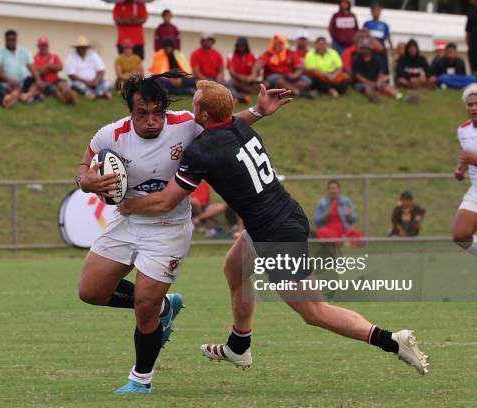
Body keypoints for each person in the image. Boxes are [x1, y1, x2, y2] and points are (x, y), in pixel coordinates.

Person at [119, 80, 429, 378]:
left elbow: (166, 201)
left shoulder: (202, 150)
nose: (189, 111)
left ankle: (392, 341)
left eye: (195, 106)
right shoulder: (238, 126)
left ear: (203, 115)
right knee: (235, 267)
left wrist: (128, 203)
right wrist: (258, 110)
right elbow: (234, 122)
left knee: (314, 311)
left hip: (275, 233)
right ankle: (239, 346)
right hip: (282, 215)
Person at [75, 73, 289, 394]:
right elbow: (84, 167)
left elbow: (226, 126)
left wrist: (258, 111)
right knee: (90, 291)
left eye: (158, 112)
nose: (151, 121)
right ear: (129, 111)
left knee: (145, 305)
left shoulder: (185, 124)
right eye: (142, 113)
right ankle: (165, 308)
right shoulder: (110, 135)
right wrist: (86, 181)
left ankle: (141, 379)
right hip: (126, 221)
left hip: (168, 227)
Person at [452, 85, 477, 266]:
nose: (474, 108)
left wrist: (476, 160)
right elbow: (466, 154)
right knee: (460, 235)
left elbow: (473, 157)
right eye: (470, 105)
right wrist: (461, 168)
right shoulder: (463, 130)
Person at [352, 38, 413, 103]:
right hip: (363, 83)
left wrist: (379, 81)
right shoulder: (357, 59)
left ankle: (400, 97)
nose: (363, 50)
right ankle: (374, 98)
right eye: (362, 48)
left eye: (365, 48)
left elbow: (381, 72)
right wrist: (370, 83)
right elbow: (358, 76)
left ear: (370, 49)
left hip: (376, 81)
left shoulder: (376, 59)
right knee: (367, 88)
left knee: (387, 87)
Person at [191, 32, 246, 104]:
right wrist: (208, 81)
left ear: (213, 42)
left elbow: (221, 71)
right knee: (207, 89)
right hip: (202, 79)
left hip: (215, 78)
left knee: (227, 84)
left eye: (210, 40)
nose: (208, 42)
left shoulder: (217, 54)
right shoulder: (195, 54)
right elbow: (196, 72)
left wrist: (219, 78)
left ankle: (237, 98)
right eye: (207, 40)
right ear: (202, 41)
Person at [0, 30, 44, 103]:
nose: (11, 41)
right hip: (8, 82)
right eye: (9, 39)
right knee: (3, 86)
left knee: (37, 82)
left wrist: (38, 80)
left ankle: (26, 95)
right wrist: (9, 80)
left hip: (23, 81)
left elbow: (32, 67)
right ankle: (29, 96)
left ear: (16, 39)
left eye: (13, 39)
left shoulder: (24, 51)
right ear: (5, 40)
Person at [33, 36, 77, 105]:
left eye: (45, 45)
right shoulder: (36, 58)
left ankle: (71, 96)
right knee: (55, 89)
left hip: (56, 79)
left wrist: (47, 66)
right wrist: (52, 68)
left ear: (48, 46)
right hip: (45, 82)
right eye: (42, 45)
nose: (44, 47)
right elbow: (38, 72)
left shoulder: (54, 56)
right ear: (38, 46)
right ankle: (65, 100)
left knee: (64, 85)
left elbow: (60, 67)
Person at [65, 35, 111, 100]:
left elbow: (101, 71)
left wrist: (96, 81)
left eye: (83, 47)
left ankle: (94, 94)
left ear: (87, 47)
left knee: (107, 83)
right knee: (76, 85)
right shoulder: (71, 57)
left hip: (95, 81)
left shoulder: (93, 55)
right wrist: (87, 83)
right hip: (80, 82)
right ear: (76, 48)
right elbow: (71, 76)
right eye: (80, 47)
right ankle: (100, 93)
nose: (82, 49)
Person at [363, 2, 393, 74]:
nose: (376, 13)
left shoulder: (384, 25)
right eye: (374, 11)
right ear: (371, 12)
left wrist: (391, 48)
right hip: (371, 47)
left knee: (382, 64)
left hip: (381, 47)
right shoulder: (367, 24)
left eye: (378, 11)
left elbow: (388, 37)